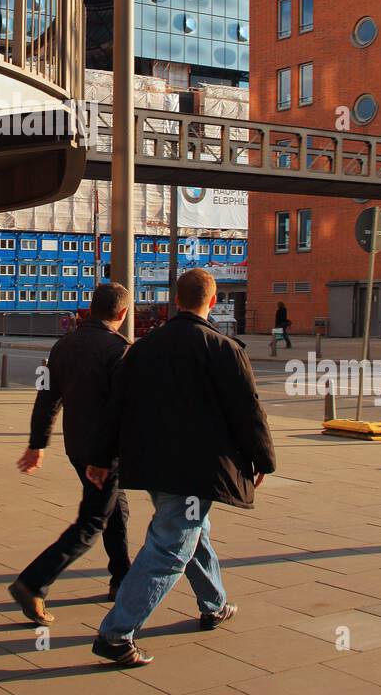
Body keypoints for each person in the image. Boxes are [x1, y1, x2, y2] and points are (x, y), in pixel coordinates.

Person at [87, 268, 276, 668]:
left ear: (176, 300)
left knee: (194, 530)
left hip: (153, 465)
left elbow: (115, 408)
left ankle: (215, 603)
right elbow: (248, 411)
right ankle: (117, 634)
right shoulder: (223, 348)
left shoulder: (141, 348)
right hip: (194, 469)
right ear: (211, 302)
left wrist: (101, 459)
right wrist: (263, 459)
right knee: (173, 546)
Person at [8, 282, 132, 628]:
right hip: (103, 453)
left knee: (115, 508)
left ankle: (121, 577)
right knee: (93, 520)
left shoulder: (62, 346)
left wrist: (38, 445)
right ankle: (33, 582)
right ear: (121, 314)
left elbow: (46, 399)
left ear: (90, 309)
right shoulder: (118, 350)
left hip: (77, 446)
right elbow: (123, 409)